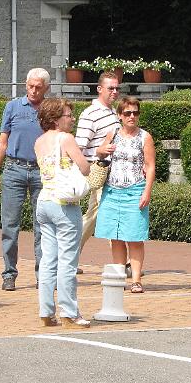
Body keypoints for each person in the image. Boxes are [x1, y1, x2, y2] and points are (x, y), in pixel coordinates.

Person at [0, 68, 49, 291]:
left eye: (38, 87)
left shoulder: (50, 109)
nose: (33, 91)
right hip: (14, 169)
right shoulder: (12, 107)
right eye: (30, 86)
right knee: (10, 226)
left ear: (46, 89)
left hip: (42, 172)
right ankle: (9, 274)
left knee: (42, 226)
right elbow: (2, 141)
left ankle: (43, 275)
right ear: (25, 84)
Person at [34, 98, 91, 327]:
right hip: (64, 204)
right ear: (56, 119)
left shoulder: (38, 141)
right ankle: (69, 312)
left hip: (44, 201)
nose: (72, 119)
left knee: (48, 260)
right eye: (68, 115)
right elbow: (85, 167)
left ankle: (46, 312)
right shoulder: (65, 138)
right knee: (68, 260)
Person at [94, 97, 155, 293]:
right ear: (120, 115)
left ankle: (136, 280)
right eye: (127, 113)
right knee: (116, 236)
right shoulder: (112, 134)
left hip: (135, 189)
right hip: (112, 190)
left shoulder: (145, 137)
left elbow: (150, 166)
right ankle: (119, 277)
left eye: (135, 113)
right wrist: (102, 150)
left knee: (135, 237)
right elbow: (100, 154)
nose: (132, 116)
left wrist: (147, 191)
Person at [75, 71, 121, 264]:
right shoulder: (90, 114)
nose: (115, 92)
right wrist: (97, 156)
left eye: (117, 88)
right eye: (111, 88)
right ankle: (123, 262)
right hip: (98, 170)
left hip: (112, 171)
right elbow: (78, 148)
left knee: (93, 216)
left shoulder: (113, 112)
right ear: (99, 89)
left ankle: (70, 256)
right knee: (110, 213)